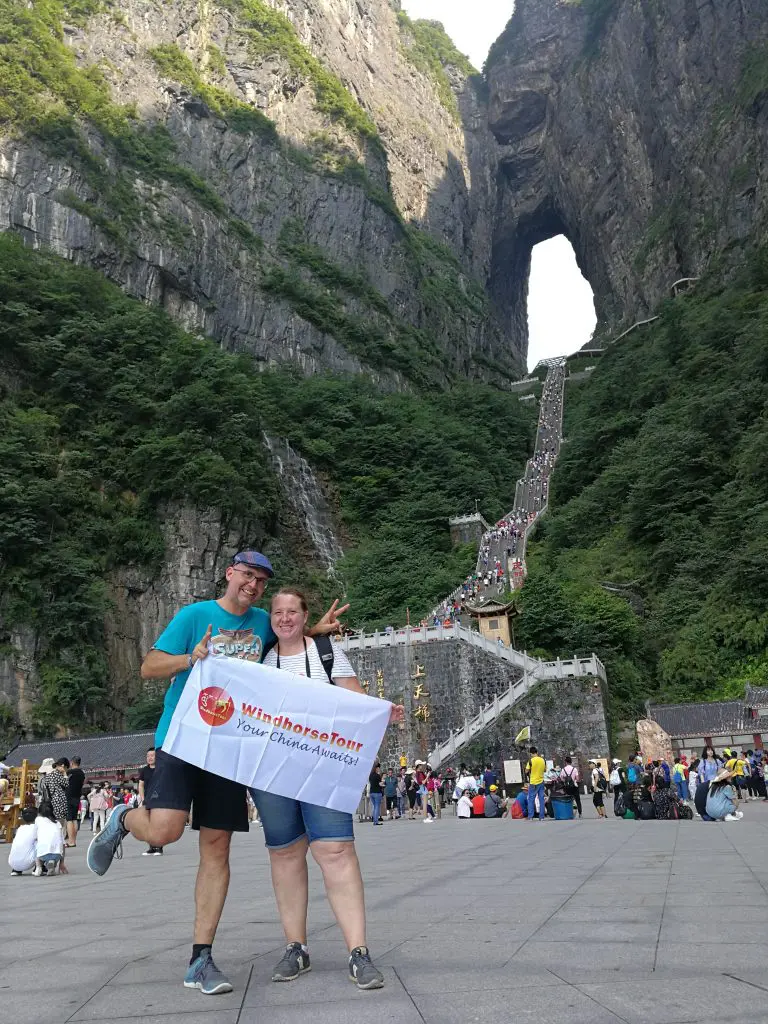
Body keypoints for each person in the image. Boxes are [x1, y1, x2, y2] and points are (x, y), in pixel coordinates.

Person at [87, 550, 346, 996]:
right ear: (229, 574)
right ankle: (124, 819)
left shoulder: (264, 621)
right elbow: (149, 666)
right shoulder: (194, 615)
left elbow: (287, 638)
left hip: (230, 748)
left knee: (216, 847)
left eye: (262, 580)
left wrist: (316, 630)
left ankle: (200, 959)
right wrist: (192, 657)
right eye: (247, 575)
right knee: (164, 832)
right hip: (184, 736)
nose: (253, 584)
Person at [250, 587, 404, 992]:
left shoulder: (326, 653)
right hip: (272, 772)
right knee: (284, 853)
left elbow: (355, 697)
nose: (284, 618)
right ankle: (295, 946)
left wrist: (380, 709)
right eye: (277, 612)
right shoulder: (259, 657)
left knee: (335, 850)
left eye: (292, 611)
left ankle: (358, 952)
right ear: (271, 618)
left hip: (323, 767)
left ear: (305, 616)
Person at [138, 748, 163, 856]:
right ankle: (151, 847)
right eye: (148, 756)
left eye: (152, 755)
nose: (150, 758)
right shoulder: (144, 770)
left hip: (160, 799)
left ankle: (159, 847)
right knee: (148, 824)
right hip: (147, 800)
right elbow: (141, 785)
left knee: (158, 824)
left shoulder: (161, 769)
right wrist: (143, 798)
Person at [34, 800, 67, 875]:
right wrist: (62, 863)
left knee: (35, 843)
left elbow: (35, 836)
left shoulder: (38, 820)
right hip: (57, 854)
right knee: (58, 846)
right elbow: (63, 843)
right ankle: (52, 864)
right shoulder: (57, 823)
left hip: (42, 853)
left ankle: (39, 867)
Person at [39, 758, 70, 830]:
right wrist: (65, 774)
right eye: (66, 768)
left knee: (54, 821)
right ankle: (60, 837)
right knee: (60, 823)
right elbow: (66, 784)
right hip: (59, 800)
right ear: (63, 766)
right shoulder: (57, 774)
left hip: (51, 800)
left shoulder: (48, 776)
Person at [9, 807, 38, 875]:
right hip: (28, 862)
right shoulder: (36, 828)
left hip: (12, 863)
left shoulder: (20, 828)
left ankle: (16, 870)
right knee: (41, 842)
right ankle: (39, 867)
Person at [66, 756, 85, 847]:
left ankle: (71, 841)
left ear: (72, 763)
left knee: (69, 819)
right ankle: (74, 840)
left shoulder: (70, 772)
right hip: (77, 797)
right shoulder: (82, 773)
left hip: (69, 797)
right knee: (74, 819)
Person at [526, 747, 546, 821]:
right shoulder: (542, 760)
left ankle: (530, 816)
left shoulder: (530, 761)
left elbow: (526, 771)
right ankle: (542, 817)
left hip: (533, 782)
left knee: (531, 799)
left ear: (531, 753)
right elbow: (545, 770)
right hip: (541, 781)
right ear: (537, 752)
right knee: (541, 799)